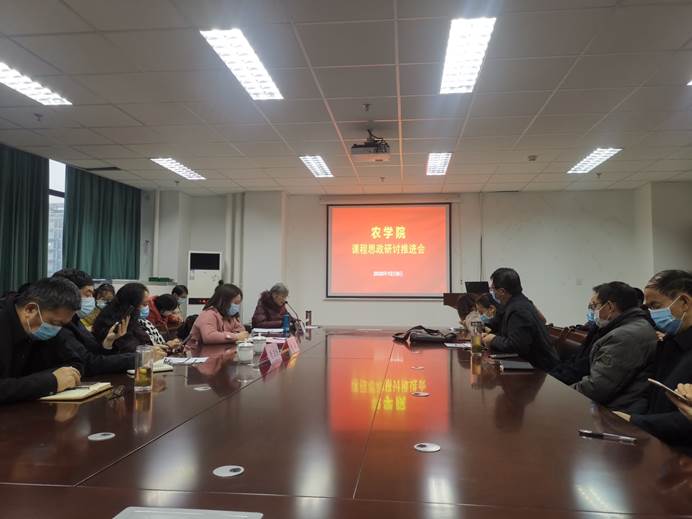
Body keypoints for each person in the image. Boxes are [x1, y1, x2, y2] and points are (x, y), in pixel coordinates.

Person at [616, 270, 692, 453]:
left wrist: (635, 421)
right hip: (654, 440)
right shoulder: (669, 342)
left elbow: (686, 417)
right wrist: (627, 416)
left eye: (655, 306)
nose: (651, 314)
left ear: (684, 302)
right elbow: (651, 393)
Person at [51, 270, 156, 375]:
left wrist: (108, 342)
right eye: (88, 294)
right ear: (67, 294)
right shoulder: (57, 326)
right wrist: (140, 358)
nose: (92, 299)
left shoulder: (75, 321)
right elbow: (88, 363)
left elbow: (97, 355)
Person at [572, 282, 657, 411]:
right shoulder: (631, 326)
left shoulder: (624, 336)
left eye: (595, 306)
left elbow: (596, 388)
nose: (593, 311)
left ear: (610, 307)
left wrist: (562, 393)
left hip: (615, 412)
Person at [0, 277, 84, 404]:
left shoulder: (46, 325)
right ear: (30, 309)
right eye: (55, 323)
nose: (57, 329)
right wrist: (49, 382)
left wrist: (60, 377)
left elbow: (74, 363)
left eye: (62, 325)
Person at [481, 268, 559, 371]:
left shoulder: (519, 310)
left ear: (502, 291)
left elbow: (517, 346)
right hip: (526, 363)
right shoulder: (512, 303)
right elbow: (495, 323)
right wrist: (482, 327)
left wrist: (493, 339)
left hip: (540, 370)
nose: (492, 293)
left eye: (493, 289)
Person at [92, 282, 156, 353]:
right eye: (143, 304)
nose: (142, 308)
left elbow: (142, 342)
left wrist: (153, 348)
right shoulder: (111, 325)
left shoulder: (132, 320)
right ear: (130, 305)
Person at [188, 284, 249, 349]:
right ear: (224, 301)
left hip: (219, 351)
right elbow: (209, 337)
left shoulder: (231, 316)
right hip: (196, 352)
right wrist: (235, 336)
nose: (237, 306)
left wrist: (234, 336)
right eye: (235, 303)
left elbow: (241, 332)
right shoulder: (208, 314)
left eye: (238, 303)